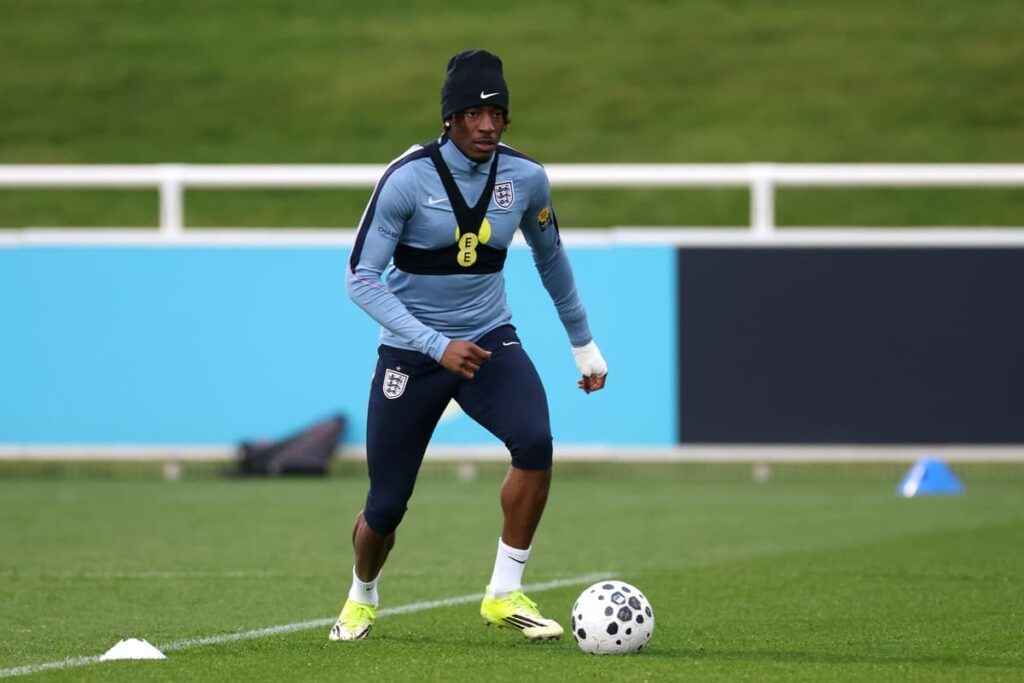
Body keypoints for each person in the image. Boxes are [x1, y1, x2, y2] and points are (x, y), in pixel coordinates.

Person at [330, 49, 608, 642]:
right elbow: (359, 278)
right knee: (385, 507)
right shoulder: (407, 179)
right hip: (412, 353)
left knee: (535, 443)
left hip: (488, 340)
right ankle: (362, 595)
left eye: (498, 113)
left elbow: (550, 257)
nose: (487, 125)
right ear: (450, 118)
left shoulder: (527, 178)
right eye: (474, 114)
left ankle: (504, 592)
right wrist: (434, 344)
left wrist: (582, 344)